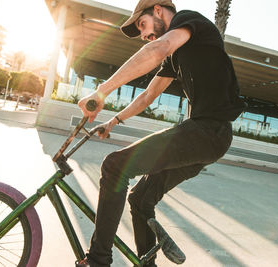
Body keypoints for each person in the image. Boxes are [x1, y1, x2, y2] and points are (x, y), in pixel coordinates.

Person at [76, 0, 245, 266]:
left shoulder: (188, 22)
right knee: (140, 199)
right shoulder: (175, 54)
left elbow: (158, 47)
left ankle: (98, 261)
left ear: (158, 10)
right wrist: (113, 121)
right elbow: (148, 95)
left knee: (115, 166)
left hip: (208, 132)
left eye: (143, 25)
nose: (144, 35)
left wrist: (102, 91)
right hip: (208, 138)